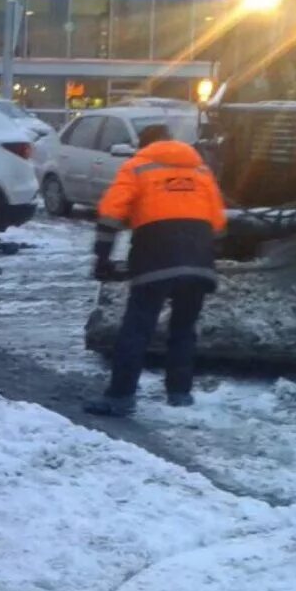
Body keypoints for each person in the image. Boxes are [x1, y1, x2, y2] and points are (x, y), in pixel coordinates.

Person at [86, 123, 227, 418]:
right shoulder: (200, 171)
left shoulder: (136, 167)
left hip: (155, 257)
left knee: (137, 328)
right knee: (184, 328)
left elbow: (111, 215)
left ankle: (120, 397)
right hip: (199, 258)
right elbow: (217, 222)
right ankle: (179, 393)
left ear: (144, 145)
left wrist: (102, 259)